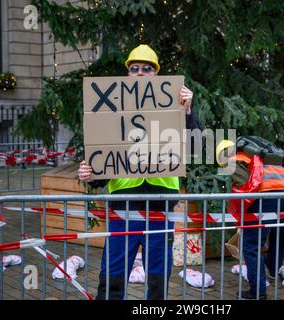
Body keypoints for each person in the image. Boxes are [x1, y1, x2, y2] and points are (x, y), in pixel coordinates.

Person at [78, 44, 203, 300]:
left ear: (156, 75)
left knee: (158, 275)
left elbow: (197, 147)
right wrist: (90, 173)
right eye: (134, 68)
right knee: (113, 272)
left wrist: (187, 112)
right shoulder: (113, 108)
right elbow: (104, 159)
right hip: (122, 204)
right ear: (127, 75)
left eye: (147, 68)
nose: (140, 73)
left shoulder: (175, 107)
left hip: (160, 204)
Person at [216, 138, 284, 300]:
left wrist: (242, 215)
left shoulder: (232, 160)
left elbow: (246, 186)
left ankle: (258, 291)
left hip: (267, 195)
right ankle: (274, 269)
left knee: (251, 245)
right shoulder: (256, 154)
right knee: (279, 232)